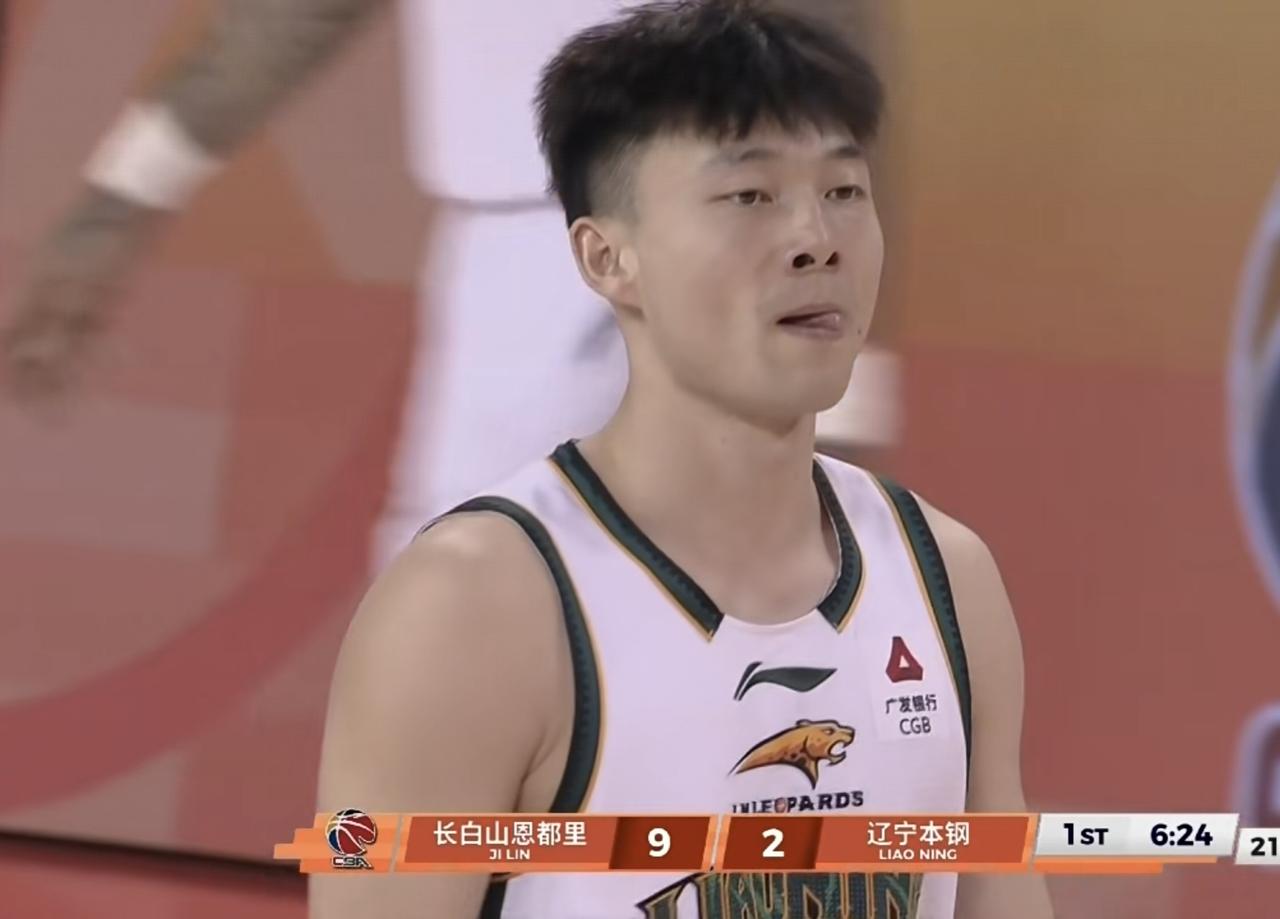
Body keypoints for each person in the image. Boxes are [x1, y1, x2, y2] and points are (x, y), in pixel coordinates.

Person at [312, 2, 1054, 917]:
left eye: (844, 191)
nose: (816, 239)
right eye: (751, 196)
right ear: (607, 257)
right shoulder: (466, 611)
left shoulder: (949, 581)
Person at [0, 0, 899, 575]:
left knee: (469, 620)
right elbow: (279, 29)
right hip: (529, 245)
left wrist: (841, 370)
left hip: (635, 240)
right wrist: (110, 215)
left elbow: (822, 57)